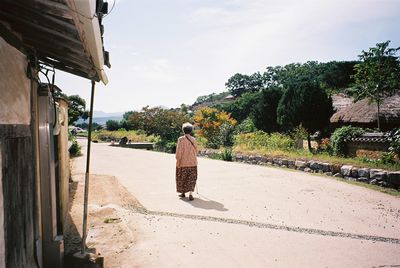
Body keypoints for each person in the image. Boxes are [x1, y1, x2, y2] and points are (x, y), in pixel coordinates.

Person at [175, 122, 198, 201]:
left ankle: (183, 193)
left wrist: (178, 160)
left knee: (182, 178)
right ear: (191, 130)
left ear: (183, 130)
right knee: (191, 178)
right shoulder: (193, 139)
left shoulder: (180, 139)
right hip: (193, 162)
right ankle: (191, 194)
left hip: (183, 163)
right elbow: (196, 150)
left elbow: (179, 151)